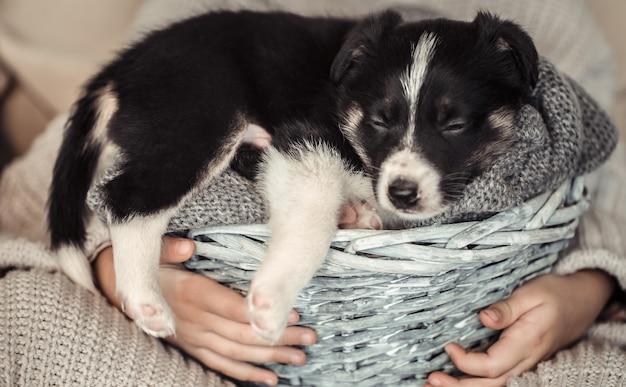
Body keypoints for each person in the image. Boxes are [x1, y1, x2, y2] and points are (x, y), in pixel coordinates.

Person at [1, 1, 625, 386]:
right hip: (196, 328)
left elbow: (598, 154)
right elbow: (126, 115)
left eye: (451, 122)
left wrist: (590, 288)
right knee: (20, 319)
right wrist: (109, 266)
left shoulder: (535, 30)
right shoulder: (246, 37)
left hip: (478, 329)